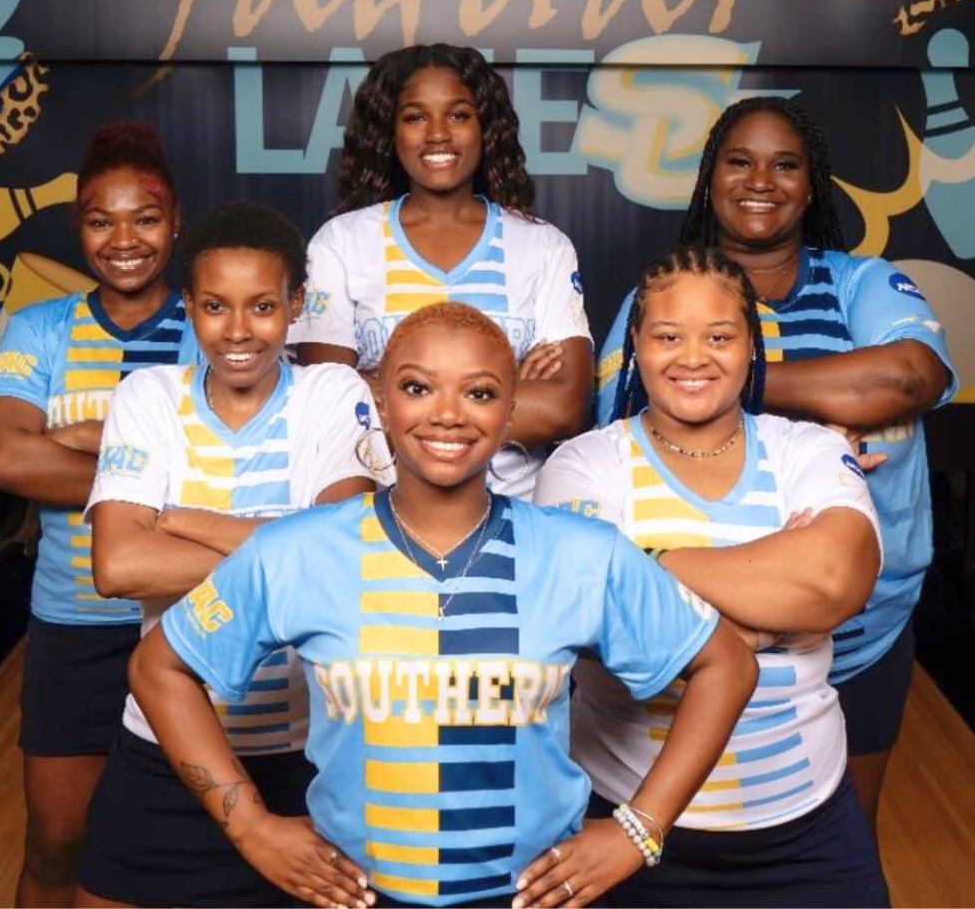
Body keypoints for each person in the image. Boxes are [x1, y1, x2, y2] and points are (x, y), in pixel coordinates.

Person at [128, 301, 758, 909]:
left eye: (480, 393)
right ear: (380, 402)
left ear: (510, 410)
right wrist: (250, 826)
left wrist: (637, 830)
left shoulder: (581, 554)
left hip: (532, 897)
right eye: (418, 387)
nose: (448, 415)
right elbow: (159, 667)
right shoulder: (297, 549)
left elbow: (727, 665)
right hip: (354, 895)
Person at [596, 97, 955, 835]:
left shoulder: (863, 283)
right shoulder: (653, 298)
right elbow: (624, 431)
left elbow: (908, 378)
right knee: (694, 827)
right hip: (698, 619)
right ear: (709, 179)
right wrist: (820, 412)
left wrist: (725, 385)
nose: (762, 179)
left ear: (812, 183)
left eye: (785, 163)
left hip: (866, 628)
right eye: (740, 161)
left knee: (841, 828)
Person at [537, 245, 888, 907]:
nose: (692, 358)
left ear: (751, 347)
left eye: (719, 336)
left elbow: (835, 580)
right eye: (668, 336)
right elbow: (600, 621)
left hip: (808, 830)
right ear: (635, 346)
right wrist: (764, 610)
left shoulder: (805, 449)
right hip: (624, 824)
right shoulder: (582, 466)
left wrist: (649, 560)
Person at [73, 202, 382, 908]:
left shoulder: (332, 393)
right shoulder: (148, 395)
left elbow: (345, 556)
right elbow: (119, 567)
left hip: (306, 754)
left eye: (263, 306)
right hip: (164, 746)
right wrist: (286, 542)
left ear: (296, 306)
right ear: (189, 305)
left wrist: (177, 519)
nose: (238, 331)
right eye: (214, 306)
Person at [0, 122, 198, 907]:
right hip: (74, 625)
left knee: (194, 851)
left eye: (147, 218)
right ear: (78, 225)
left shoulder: (214, 331)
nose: (124, 239)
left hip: (194, 623)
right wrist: (158, 461)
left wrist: (79, 441)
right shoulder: (41, 329)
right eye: (103, 219)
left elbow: (234, 485)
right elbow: (4, 459)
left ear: (177, 223)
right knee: (57, 846)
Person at [290, 43, 593, 498]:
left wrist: (387, 392)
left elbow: (565, 407)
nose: (437, 134)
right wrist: (505, 389)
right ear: (389, 133)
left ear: (484, 127)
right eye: (415, 117)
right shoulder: (342, 241)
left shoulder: (543, 245)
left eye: (458, 115)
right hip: (380, 503)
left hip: (518, 506)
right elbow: (331, 402)